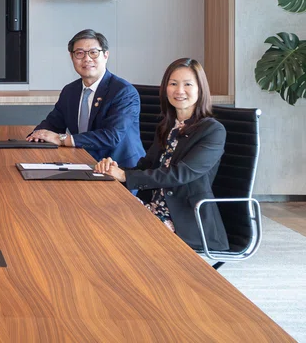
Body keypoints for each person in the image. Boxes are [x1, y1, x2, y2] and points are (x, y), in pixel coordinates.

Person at [95, 58, 228, 250]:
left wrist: (125, 176)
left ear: (201, 89)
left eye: (188, 84)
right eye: (173, 84)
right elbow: (146, 166)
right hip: (152, 208)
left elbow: (181, 174)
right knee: (96, 217)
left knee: (114, 237)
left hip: (185, 220)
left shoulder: (213, 130)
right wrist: (115, 169)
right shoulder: (167, 126)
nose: (179, 90)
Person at [27, 29, 145, 168]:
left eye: (93, 52)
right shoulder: (70, 91)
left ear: (105, 55)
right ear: (72, 57)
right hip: (82, 162)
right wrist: (36, 136)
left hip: (119, 168)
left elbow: (111, 136)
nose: (87, 59)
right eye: (79, 53)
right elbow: (53, 123)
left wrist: (62, 139)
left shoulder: (123, 92)